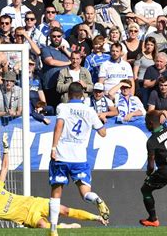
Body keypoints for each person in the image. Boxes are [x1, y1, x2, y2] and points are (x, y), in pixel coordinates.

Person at [0, 133, 104, 229]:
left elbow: (4, 169)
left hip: (34, 203)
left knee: (65, 210)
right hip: (29, 217)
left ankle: (96, 217)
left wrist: (6, 149)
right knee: (44, 226)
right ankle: (65, 228)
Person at [48, 82, 109, 236]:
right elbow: (103, 133)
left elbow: (59, 126)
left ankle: (53, 230)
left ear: (68, 94)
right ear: (82, 95)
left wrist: (53, 147)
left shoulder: (63, 107)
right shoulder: (90, 111)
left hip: (61, 155)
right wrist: (100, 120)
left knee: (56, 193)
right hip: (79, 158)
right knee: (85, 193)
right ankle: (97, 200)